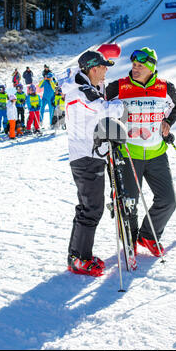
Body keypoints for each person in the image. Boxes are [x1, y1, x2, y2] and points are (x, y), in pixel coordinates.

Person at [106, 47, 176, 257]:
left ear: (151, 67)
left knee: (168, 200)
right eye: (133, 65)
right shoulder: (119, 86)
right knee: (129, 203)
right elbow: (98, 102)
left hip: (157, 153)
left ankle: (149, 235)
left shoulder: (165, 87)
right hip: (128, 153)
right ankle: (130, 241)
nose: (135, 68)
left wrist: (168, 121)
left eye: (140, 66)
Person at [61, 50, 124, 276]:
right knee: (91, 208)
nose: (107, 71)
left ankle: (78, 255)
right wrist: (120, 105)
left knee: (88, 207)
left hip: (91, 153)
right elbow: (106, 109)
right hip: (86, 157)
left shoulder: (87, 86)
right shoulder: (81, 90)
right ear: (93, 69)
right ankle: (79, 258)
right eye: (104, 67)